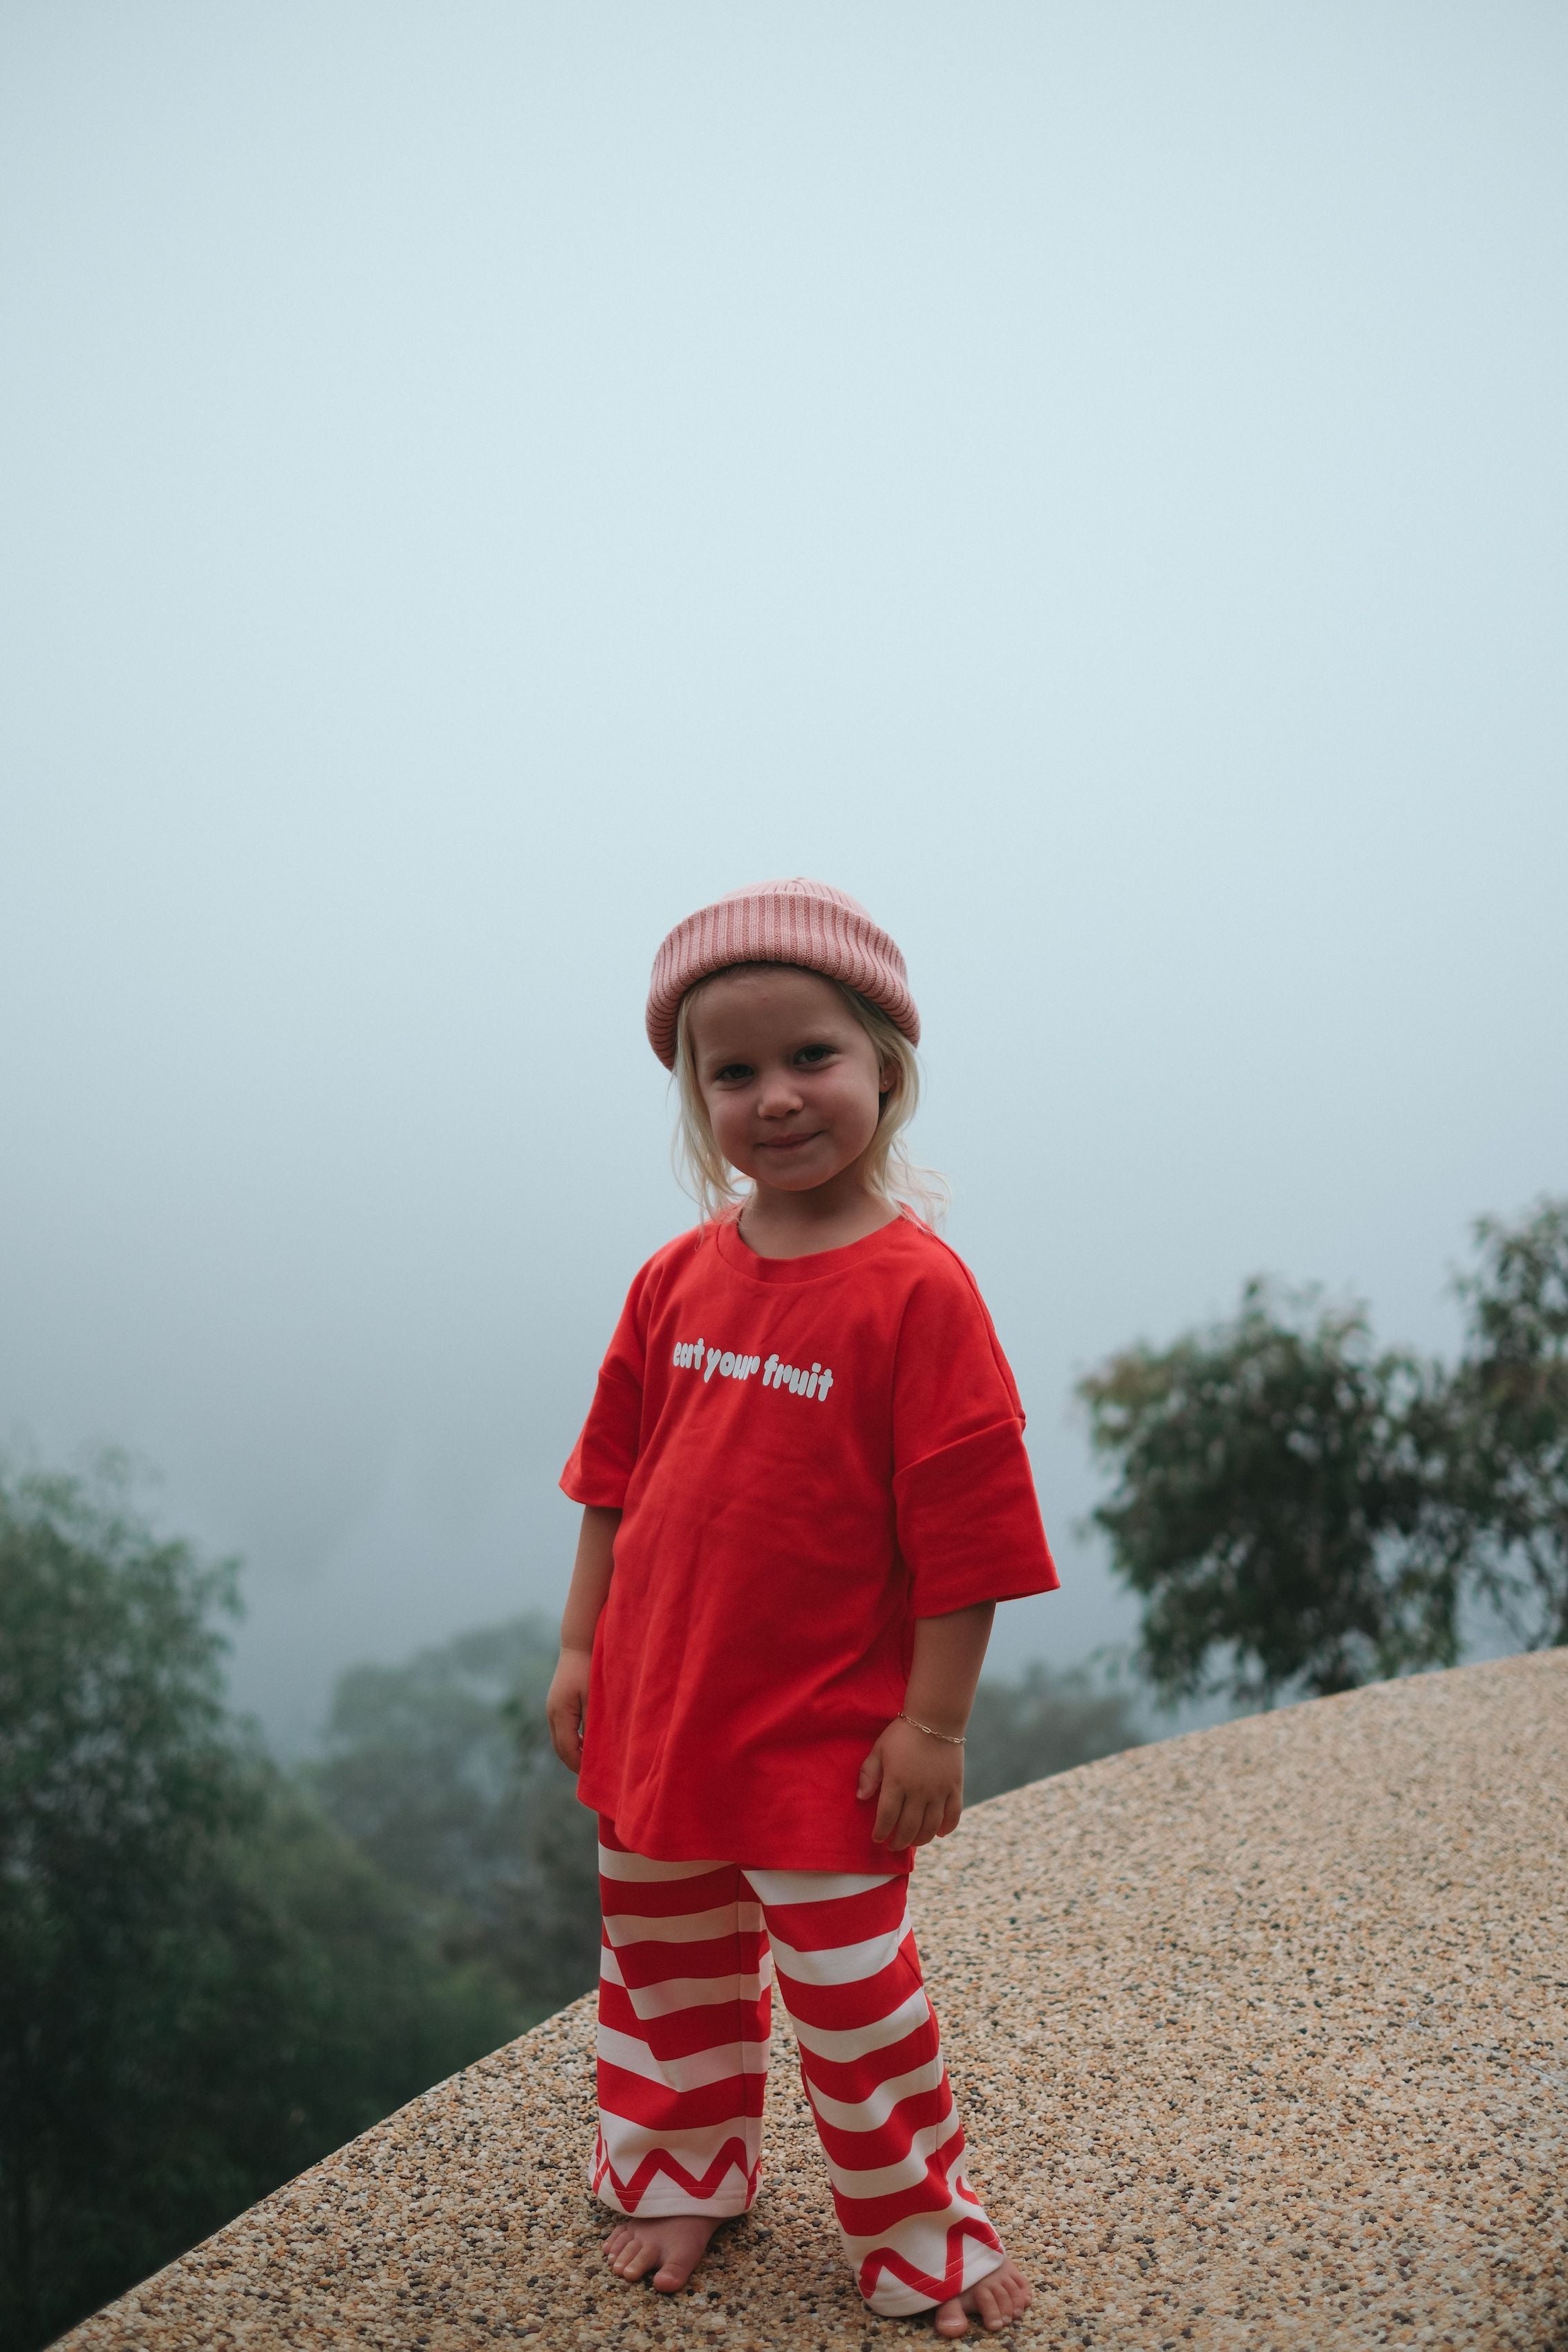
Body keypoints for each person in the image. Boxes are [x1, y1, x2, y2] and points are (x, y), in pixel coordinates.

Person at [545, 877, 1058, 2338]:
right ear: (696, 1096)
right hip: (661, 1710)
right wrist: (583, 1644)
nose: (778, 1097)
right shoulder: (675, 1281)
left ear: (887, 1065)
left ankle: (920, 2231)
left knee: (857, 2003)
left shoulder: (918, 1297)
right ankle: (682, 2166)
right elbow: (611, 1485)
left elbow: (969, 1544)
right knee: (662, 1966)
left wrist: (934, 1729)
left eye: (812, 1057)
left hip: (826, 1737)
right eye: (735, 1071)